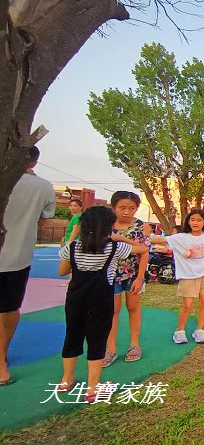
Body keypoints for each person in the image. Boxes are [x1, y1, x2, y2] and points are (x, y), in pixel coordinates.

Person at [55, 206, 147, 401]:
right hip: (101, 298)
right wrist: (121, 238)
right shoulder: (114, 247)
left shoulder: (72, 248)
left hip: (75, 298)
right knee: (97, 338)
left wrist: (72, 238)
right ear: (108, 227)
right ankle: (92, 388)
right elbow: (143, 249)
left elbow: (62, 271)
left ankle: (66, 379)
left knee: (72, 335)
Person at [0, 146, 55, 386]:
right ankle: (2, 357)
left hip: (15, 255)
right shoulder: (43, 186)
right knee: (9, 307)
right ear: (34, 162)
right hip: (18, 255)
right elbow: (45, 218)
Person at [150, 209, 204, 344]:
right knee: (188, 305)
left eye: (199, 220)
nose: (195, 223)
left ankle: (199, 331)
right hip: (188, 275)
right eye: (193, 220)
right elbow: (161, 240)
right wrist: (143, 236)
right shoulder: (181, 237)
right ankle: (179, 331)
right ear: (188, 221)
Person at [103, 191, 149, 367]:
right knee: (111, 311)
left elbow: (144, 252)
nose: (127, 212)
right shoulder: (106, 226)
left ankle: (134, 345)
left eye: (132, 208)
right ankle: (111, 349)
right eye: (122, 208)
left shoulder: (141, 227)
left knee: (133, 308)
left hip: (133, 274)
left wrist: (140, 278)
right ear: (113, 207)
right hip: (110, 276)